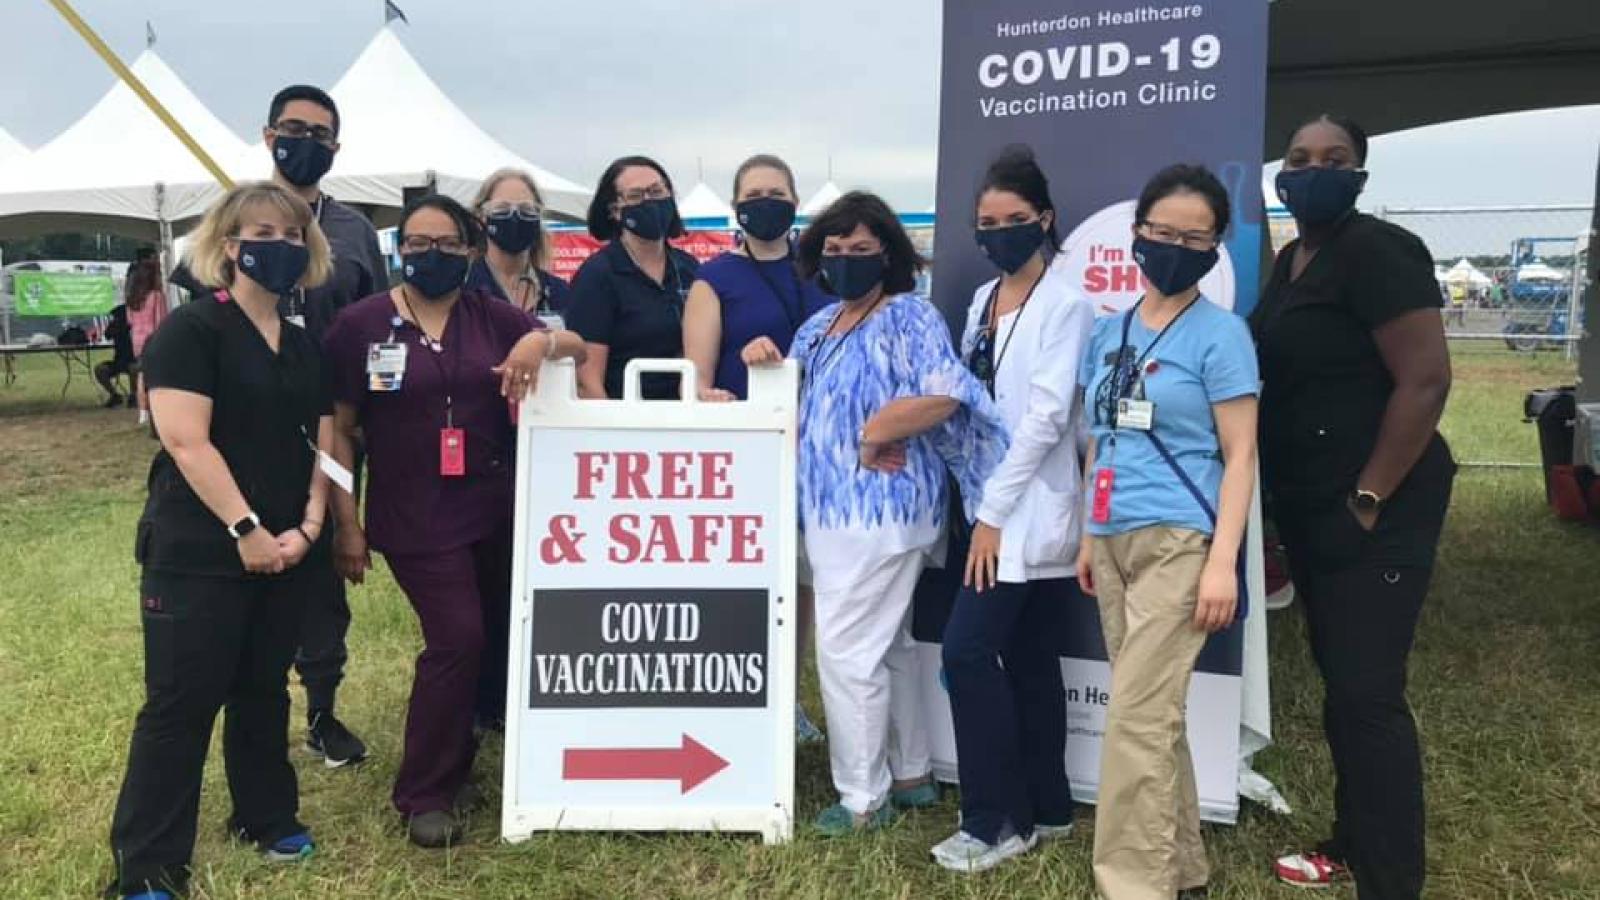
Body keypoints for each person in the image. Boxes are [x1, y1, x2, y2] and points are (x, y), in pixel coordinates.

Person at [322, 194, 586, 848]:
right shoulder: (359, 326)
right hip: (411, 515)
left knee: (491, 635)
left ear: (470, 251)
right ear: (398, 248)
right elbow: (339, 433)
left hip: (495, 510)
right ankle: (424, 793)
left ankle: (459, 755)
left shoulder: (494, 317)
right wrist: (345, 524)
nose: (430, 255)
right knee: (458, 637)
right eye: (417, 243)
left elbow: (575, 348)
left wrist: (537, 338)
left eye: (445, 244)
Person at [744, 191, 1007, 837]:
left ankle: (863, 797)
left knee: (844, 653)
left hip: (880, 512)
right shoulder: (817, 326)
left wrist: (875, 431)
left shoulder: (908, 316)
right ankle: (911, 773)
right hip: (831, 515)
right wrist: (760, 362)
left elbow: (944, 394)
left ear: (887, 253)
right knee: (887, 646)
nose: (845, 260)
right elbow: (800, 402)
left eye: (860, 250)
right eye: (833, 250)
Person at [107, 181, 336, 900]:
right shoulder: (192, 332)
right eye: (262, 232)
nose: (280, 245)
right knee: (180, 703)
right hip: (200, 554)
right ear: (229, 247)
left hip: (286, 549)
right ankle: (146, 864)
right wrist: (246, 530)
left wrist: (310, 525)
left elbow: (325, 441)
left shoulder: (301, 344)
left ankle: (266, 817)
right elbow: (185, 439)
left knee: (263, 689)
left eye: (294, 233)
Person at [1254, 115, 1454, 900]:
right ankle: (1352, 838)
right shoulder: (1293, 261)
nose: (1313, 170)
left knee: (1369, 694)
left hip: (1380, 503)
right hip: (1314, 503)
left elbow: (1427, 381)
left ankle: (1391, 879)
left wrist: (1368, 498)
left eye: (1334, 159)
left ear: (1361, 173)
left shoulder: (1379, 251)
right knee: (1342, 681)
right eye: (1299, 159)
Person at [1074, 164, 1258, 900]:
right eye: (1161, 232)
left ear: (1215, 246)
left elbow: (1241, 454)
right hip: (1113, 536)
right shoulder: (1108, 331)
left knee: (1135, 722)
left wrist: (1224, 564)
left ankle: (1133, 886)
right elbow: (1098, 437)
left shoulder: (1222, 336)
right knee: (1153, 717)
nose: (1174, 246)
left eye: (1194, 236)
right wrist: (1090, 533)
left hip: (1182, 539)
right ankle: (1183, 868)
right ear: (1137, 235)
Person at [932, 145, 1094, 873]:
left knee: (968, 653)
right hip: (984, 505)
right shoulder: (980, 302)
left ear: (1045, 220)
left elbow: (1048, 417)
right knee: (1028, 655)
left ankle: (997, 820)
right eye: (985, 222)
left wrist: (993, 513)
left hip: (1021, 512)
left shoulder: (1066, 303)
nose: (997, 232)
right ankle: (1050, 803)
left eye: (1013, 220)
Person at [257, 84, 389, 767]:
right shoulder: (243, 217)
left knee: (331, 562)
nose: (305, 140)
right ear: (268, 134)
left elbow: (378, 327)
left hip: (336, 424)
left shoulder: (354, 231)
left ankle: (323, 711)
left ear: (335, 148)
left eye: (320, 132)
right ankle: (254, 709)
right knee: (254, 560)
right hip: (251, 428)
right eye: (293, 127)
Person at [682, 153, 833, 744]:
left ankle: (789, 697)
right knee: (752, 575)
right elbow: (696, 377)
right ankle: (748, 696)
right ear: (736, 206)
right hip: (750, 450)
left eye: (777, 191)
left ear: (795, 202)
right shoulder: (712, 279)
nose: (766, 200)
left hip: (822, 449)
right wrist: (711, 395)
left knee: (803, 582)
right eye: (754, 192)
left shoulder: (823, 270)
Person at [566, 155, 699, 400]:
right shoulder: (598, 275)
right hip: (624, 420)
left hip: (686, 416)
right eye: (636, 196)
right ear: (615, 210)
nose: (649, 202)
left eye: (657, 191)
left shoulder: (688, 269)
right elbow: (587, 381)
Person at [466, 168, 571, 327]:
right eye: (502, 209)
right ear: (481, 218)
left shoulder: (559, 291)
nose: (514, 217)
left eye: (526, 210)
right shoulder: (463, 290)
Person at [126, 250, 169, 425]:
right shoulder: (157, 296)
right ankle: (156, 408)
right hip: (153, 337)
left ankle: (143, 411)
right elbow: (161, 319)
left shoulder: (132, 299)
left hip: (136, 339)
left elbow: (130, 320)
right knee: (155, 375)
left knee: (141, 375)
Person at [95, 302, 136, 408]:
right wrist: (115, 327)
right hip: (119, 361)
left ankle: (134, 395)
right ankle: (114, 395)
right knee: (100, 369)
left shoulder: (136, 326)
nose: (115, 320)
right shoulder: (116, 327)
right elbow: (107, 335)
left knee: (134, 368)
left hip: (134, 360)